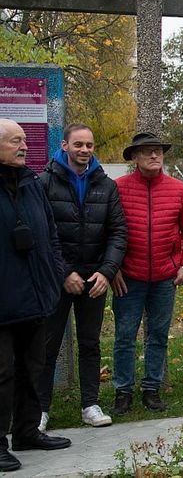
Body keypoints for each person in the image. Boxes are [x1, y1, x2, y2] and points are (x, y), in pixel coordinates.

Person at [37, 124, 127, 431]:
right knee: (47, 345)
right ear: (64, 145)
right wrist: (64, 273)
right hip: (57, 281)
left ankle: (90, 404)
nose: (84, 150)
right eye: (78, 144)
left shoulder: (106, 185)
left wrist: (107, 271)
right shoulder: (45, 182)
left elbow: (118, 233)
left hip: (94, 281)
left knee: (90, 344)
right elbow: (43, 235)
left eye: (89, 144)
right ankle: (40, 410)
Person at [111, 132, 183, 414]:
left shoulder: (177, 190)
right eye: (147, 151)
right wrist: (111, 269)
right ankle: (122, 391)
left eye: (158, 151)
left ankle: (151, 388)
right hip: (128, 277)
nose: (154, 155)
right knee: (125, 335)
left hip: (165, 277)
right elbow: (108, 232)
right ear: (135, 157)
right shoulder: (119, 188)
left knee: (158, 334)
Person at [0, 119, 72, 472]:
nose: (24, 146)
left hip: (35, 297)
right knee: (2, 374)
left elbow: (52, 234)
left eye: (25, 140)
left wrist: (54, 274)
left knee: (33, 367)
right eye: (16, 141)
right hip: (2, 302)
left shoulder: (31, 184)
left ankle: (27, 431)